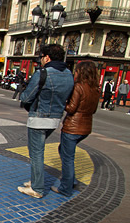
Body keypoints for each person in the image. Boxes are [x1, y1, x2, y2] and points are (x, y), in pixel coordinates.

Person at [17, 44, 74, 199]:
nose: (41, 61)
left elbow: (27, 96)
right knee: (38, 151)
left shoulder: (43, 73)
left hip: (38, 119)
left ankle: (37, 188)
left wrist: (22, 95)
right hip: (55, 119)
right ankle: (36, 181)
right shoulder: (69, 74)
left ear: (47, 57)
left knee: (36, 153)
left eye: (41, 57)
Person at [51, 60, 100, 197]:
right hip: (86, 128)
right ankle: (69, 179)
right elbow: (94, 110)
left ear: (80, 72)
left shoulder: (79, 87)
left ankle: (66, 187)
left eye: (76, 70)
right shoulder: (95, 88)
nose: (75, 73)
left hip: (73, 127)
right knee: (64, 151)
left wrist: (63, 102)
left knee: (67, 158)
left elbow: (71, 108)